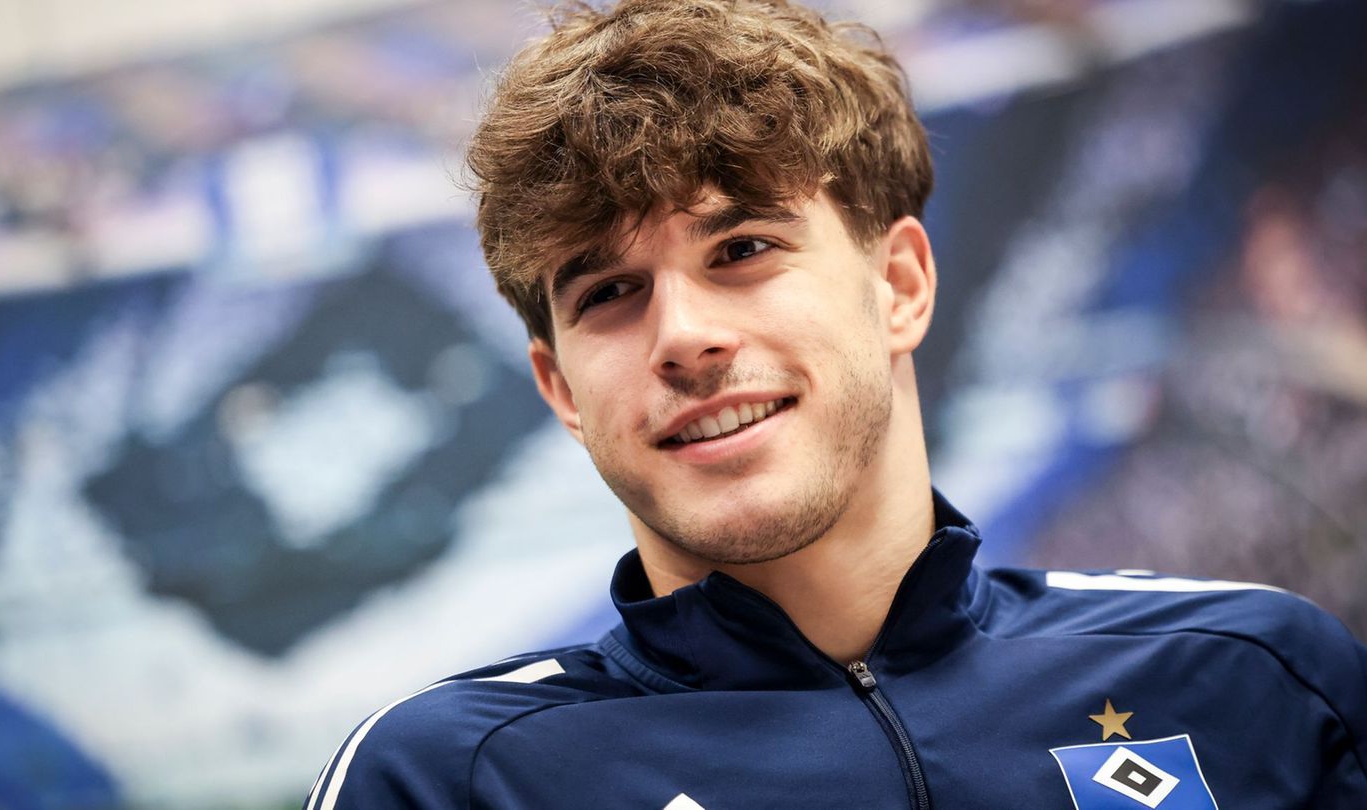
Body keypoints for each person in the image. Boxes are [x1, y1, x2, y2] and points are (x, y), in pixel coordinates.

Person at [304, 0, 1367, 807]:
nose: (681, 336)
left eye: (742, 249)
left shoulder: (1255, 673)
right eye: (609, 294)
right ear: (560, 389)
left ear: (899, 284)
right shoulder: (449, 777)